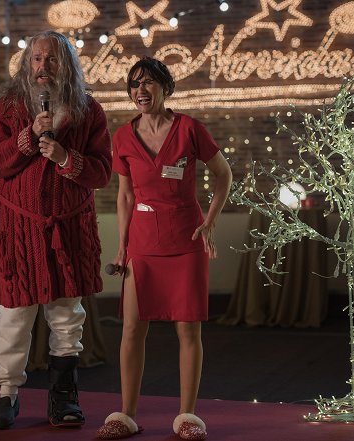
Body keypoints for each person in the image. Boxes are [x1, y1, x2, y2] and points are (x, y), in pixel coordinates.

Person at [96, 57, 232, 440]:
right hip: (142, 242)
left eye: (149, 82)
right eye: (134, 84)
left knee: (188, 329)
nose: (141, 90)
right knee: (132, 328)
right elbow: (125, 196)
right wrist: (122, 247)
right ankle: (126, 415)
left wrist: (211, 220)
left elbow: (224, 174)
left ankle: (187, 416)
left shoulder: (190, 129)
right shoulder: (123, 137)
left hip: (187, 239)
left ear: (165, 88)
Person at [0, 30, 112, 430]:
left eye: (52, 59)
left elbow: (102, 173)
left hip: (67, 231)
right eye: (37, 59)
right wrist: (27, 139)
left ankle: (63, 396)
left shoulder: (89, 111)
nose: (43, 67)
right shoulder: (8, 108)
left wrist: (65, 157)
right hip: (19, 232)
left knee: (66, 317)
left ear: (67, 65)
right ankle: (7, 394)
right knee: (14, 317)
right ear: (27, 64)